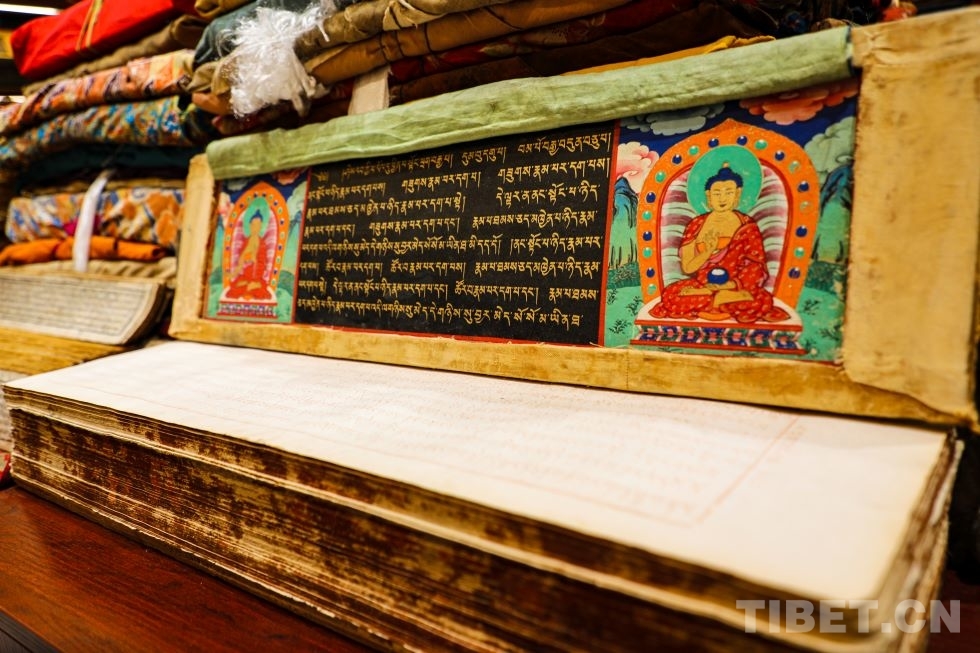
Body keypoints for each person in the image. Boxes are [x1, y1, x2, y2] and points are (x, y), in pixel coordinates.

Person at [651, 165, 789, 323]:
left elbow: (755, 267)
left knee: (761, 299)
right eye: (717, 193)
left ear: (738, 194)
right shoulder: (696, 225)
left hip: (734, 287)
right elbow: (688, 268)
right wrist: (706, 252)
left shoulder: (746, 226)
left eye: (728, 192)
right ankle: (717, 299)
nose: (722, 198)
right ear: (708, 196)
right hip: (702, 285)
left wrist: (729, 285)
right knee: (671, 295)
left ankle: (718, 298)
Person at [227, 210, 273, 300]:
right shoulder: (246, 242)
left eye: (258, 225)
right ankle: (249, 285)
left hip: (256, 278)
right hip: (245, 277)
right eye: (253, 225)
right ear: (250, 225)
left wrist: (254, 260)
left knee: (258, 291)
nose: (255, 227)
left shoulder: (262, 244)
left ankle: (255, 285)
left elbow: (263, 264)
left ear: (260, 226)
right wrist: (233, 274)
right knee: (233, 290)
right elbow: (240, 263)